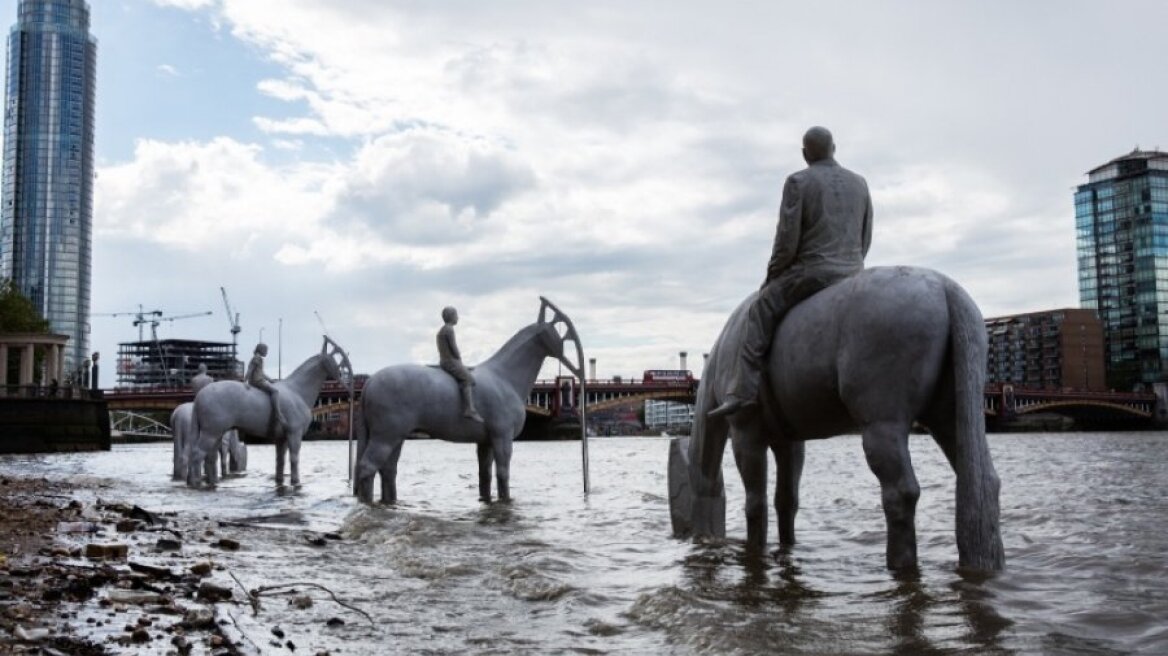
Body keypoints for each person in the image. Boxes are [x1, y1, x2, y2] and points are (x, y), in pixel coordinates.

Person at [709, 126, 873, 418]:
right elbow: (866, 237)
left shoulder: (798, 181)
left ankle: (743, 392)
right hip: (853, 272)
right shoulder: (860, 183)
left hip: (812, 273)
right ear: (834, 148)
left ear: (804, 154)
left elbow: (786, 243)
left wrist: (771, 278)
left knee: (758, 310)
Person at [437, 306, 484, 422]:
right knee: (469, 379)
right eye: (456, 315)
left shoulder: (441, 330)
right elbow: (454, 349)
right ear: (451, 316)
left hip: (444, 361)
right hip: (451, 361)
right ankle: (469, 408)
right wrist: (459, 358)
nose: (458, 317)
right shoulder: (449, 330)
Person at [246, 343, 286, 436]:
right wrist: (245, 381)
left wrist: (270, 380)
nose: (267, 352)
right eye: (266, 350)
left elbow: (261, 372)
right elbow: (250, 369)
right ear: (261, 350)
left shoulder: (258, 358)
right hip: (257, 381)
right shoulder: (257, 358)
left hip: (258, 379)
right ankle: (278, 413)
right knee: (275, 392)